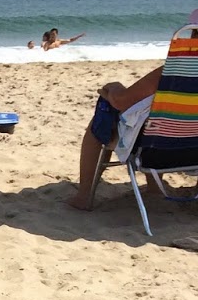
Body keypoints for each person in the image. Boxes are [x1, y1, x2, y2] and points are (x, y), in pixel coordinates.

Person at [67, 65, 163, 210]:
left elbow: (121, 101)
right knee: (159, 116)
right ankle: (155, 188)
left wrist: (113, 88)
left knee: (103, 117)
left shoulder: (174, 70)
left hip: (149, 144)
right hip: (196, 151)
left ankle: (84, 196)